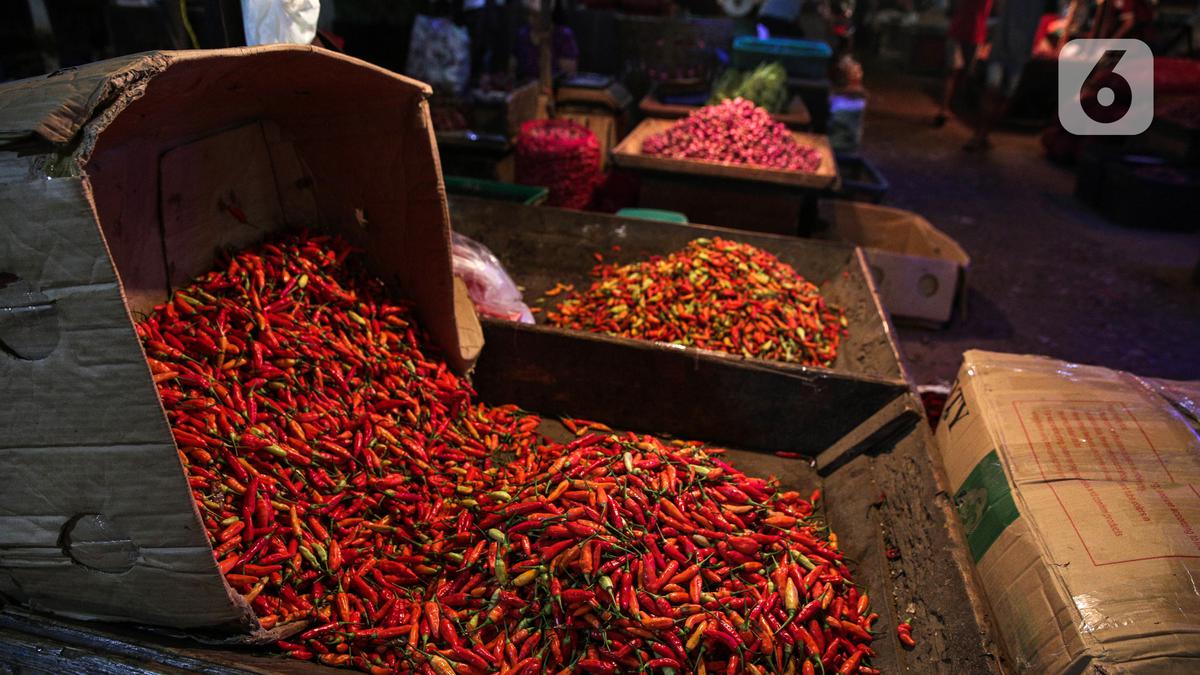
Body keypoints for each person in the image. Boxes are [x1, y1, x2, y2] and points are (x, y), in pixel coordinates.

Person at [965, 0, 1045, 151]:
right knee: (1002, 96)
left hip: (1003, 50)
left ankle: (980, 135)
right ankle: (981, 135)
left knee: (993, 94)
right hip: (1016, 54)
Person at [935, 0, 995, 126]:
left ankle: (945, 109)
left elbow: (952, 8)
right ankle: (950, 108)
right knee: (964, 73)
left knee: (952, 73)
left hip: (961, 30)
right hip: (974, 33)